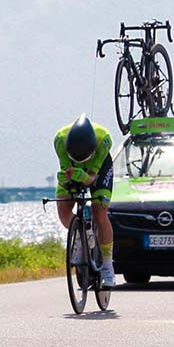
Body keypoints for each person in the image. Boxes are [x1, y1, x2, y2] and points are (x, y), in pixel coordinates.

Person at [53, 114, 115, 287]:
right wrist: (65, 178)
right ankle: (81, 232)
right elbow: (66, 174)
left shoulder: (104, 140)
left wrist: (85, 177)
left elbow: (93, 179)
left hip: (98, 170)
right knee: (63, 210)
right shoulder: (59, 140)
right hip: (73, 167)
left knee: (99, 212)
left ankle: (108, 266)